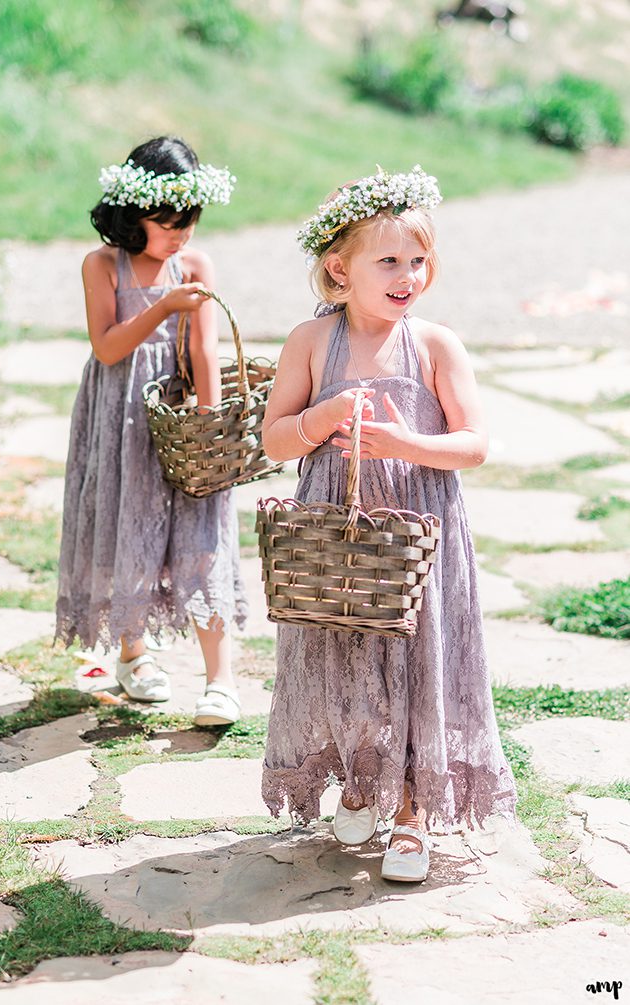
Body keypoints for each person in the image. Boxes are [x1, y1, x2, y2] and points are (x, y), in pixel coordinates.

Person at [259, 167, 515, 882]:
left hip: (417, 532)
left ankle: (412, 810)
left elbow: (475, 443)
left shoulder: (434, 346)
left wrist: (404, 444)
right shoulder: (311, 343)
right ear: (340, 269)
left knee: (415, 662)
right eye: (390, 260)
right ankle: (360, 776)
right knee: (339, 657)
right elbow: (275, 439)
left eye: (419, 259)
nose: (409, 275)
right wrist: (319, 418)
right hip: (335, 536)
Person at [56, 136, 248, 724]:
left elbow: (206, 348)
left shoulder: (195, 265)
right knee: (125, 523)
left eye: (189, 221)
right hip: (119, 418)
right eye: (167, 222)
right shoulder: (101, 265)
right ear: (133, 212)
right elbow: (108, 348)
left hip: (180, 417)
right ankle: (133, 652)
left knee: (200, 535)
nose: (180, 235)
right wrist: (163, 307)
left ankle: (221, 680)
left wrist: (210, 426)